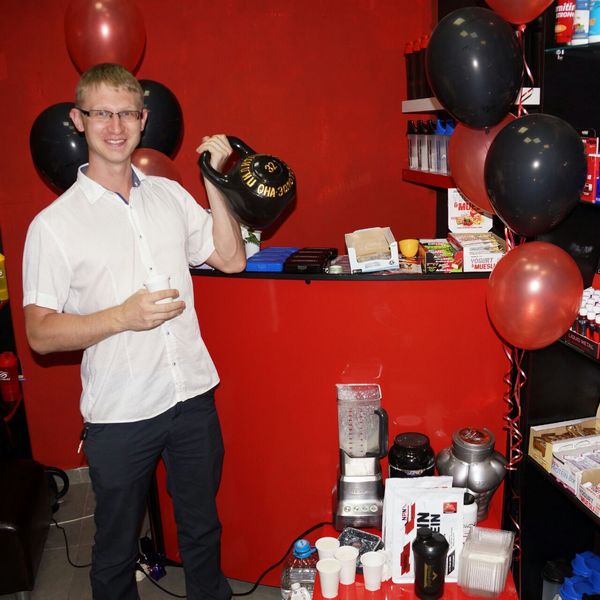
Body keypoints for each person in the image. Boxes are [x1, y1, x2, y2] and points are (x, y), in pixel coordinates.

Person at [22, 63, 246, 600]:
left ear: (143, 120)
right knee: (116, 548)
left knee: (202, 528)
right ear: (79, 120)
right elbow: (40, 334)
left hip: (191, 395)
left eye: (127, 113)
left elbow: (232, 258)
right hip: (121, 413)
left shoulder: (169, 195)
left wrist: (214, 182)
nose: (116, 126)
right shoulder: (53, 225)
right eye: (102, 113)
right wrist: (121, 316)